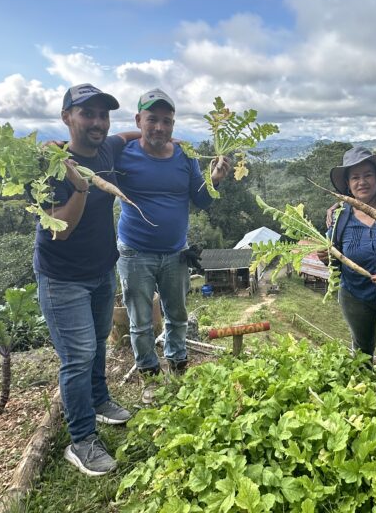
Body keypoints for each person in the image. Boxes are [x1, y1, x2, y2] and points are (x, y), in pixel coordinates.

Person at [35, 83, 136, 476]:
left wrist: (167, 135)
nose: (97, 122)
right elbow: (60, 229)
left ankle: (99, 399)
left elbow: (129, 136)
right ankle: (81, 440)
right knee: (76, 358)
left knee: (96, 346)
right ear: (66, 117)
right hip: (63, 278)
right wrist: (78, 184)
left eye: (103, 115)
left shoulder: (108, 147)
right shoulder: (48, 168)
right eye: (87, 113)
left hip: (101, 269)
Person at [114, 89, 230, 403]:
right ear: (139, 120)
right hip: (134, 251)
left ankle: (178, 367)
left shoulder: (186, 156)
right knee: (139, 320)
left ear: (173, 124)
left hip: (176, 251)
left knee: (176, 314)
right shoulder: (123, 154)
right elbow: (98, 146)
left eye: (167, 121)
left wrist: (215, 179)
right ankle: (149, 377)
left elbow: (202, 199)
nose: (160, 127)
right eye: (152, 120)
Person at [326, 146, 376, 356]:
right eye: (355, 178)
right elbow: (334, 258)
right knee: (361, 350)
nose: (362, 182)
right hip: (355, 295)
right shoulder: (340, 215)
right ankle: (364, 387)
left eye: (368, 175)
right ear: (348, 185)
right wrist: (327, 256)